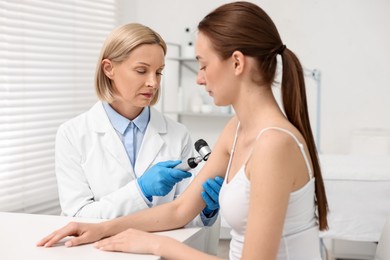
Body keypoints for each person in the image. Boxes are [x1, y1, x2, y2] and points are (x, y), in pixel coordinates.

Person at [37, 2, 328, 259]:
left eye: (203, 65)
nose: (199, 79)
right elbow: (179, 210)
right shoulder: (236, 129)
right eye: (142, 71)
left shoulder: (273, 144)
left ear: (237, 62)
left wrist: (157, 245)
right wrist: (101, 228)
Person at [54, 22, 221, 226]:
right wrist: (140, 190)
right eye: (142, 71)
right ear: (109, 69)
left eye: (159, 72)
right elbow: (77, 216)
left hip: (159, 252)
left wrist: (206, 210)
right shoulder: (72, 134)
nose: (154, 83)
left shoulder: (178, 134)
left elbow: (185, 215)